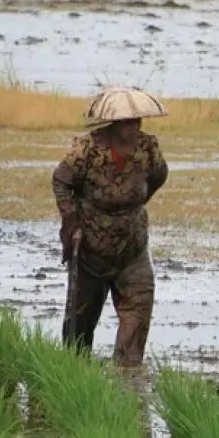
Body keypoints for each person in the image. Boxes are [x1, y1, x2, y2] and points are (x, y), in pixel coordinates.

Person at [52, 86, 169, 367]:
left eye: (138, 120)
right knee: (80, 322)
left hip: (132, 246)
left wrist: (130, 206)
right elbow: (61, 181)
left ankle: (127, 377)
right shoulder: (87, 148)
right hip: (91, 246)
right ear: (114, 124)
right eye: (129, 122)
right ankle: (72, 375)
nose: (136, 126)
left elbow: (158, 176)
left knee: (138, 310)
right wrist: (71, 220)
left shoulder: (148, 147)